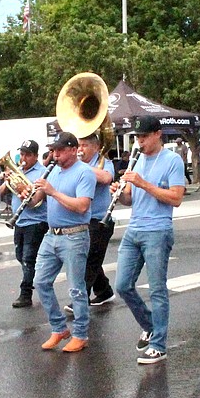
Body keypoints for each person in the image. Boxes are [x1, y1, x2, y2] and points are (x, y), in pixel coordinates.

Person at [113, 115, 186, 365]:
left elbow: (176, 198)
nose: (140, 142)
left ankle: (159, 345)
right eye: (137, 138)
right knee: (122, 285)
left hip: (157, 230)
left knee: (157, 289)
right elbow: (129, 199)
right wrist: (120, 192)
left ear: (157, 134)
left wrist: (143, 183)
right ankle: (149, 325)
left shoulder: (172, 160)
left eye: (143, 137)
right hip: (135, 228)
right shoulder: (137, 160)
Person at [31, 131, 95, 354]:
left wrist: (53, 192)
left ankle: (80, 334)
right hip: (51, 235)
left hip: (75, 235)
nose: (54, 155)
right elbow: (35, 202)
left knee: (77, 288)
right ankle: (59, 328)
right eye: (53, 151)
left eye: (59, 150)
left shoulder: (84, 173)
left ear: (72, 149)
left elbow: (82, 206)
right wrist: (25, 193)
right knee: (40, 281)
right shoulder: (53, 172)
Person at [2, 140, 49, 309]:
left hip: (36, 221)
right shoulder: (17, 171)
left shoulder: (43, 173)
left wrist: (24, 190)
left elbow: (36, 201)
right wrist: (6, 180)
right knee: (20, 256)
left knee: (28, 258)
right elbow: (0, 193)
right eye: (22, 154)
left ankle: (26, 293)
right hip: (19, 221)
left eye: (28, 155)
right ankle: (35, 279)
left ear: (36, 156)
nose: (23, 158)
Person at [77, 132, 116, 309]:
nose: (80, 149)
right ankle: (104, 290)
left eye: (84, 145)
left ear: (95, 147)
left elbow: (107, 178)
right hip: (80, 219)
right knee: (92, 257)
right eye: (79, 145)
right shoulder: (77, 165)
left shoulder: (104, 162)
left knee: (89, 258)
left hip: (100, 219)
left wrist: (79, 167)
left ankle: (80, 298)